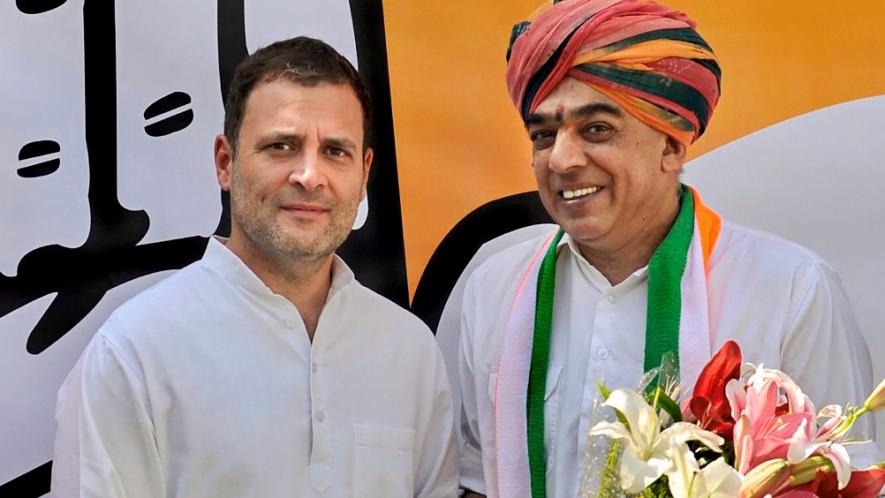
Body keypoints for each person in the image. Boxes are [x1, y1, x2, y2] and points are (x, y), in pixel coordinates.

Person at [453, 1, 877, 497]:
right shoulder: (492, 289)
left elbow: (843, 482)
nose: (562, 160)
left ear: (671, 145)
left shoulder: (791, 292)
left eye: (596, 129)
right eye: (543, 135)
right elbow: (472, 480)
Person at [50, 36, 457, 498]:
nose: (310, 176)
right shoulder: (133, 355)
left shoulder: (411, 353)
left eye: (335, 151)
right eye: (282, 146)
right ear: (226, 163)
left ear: (364, 174)